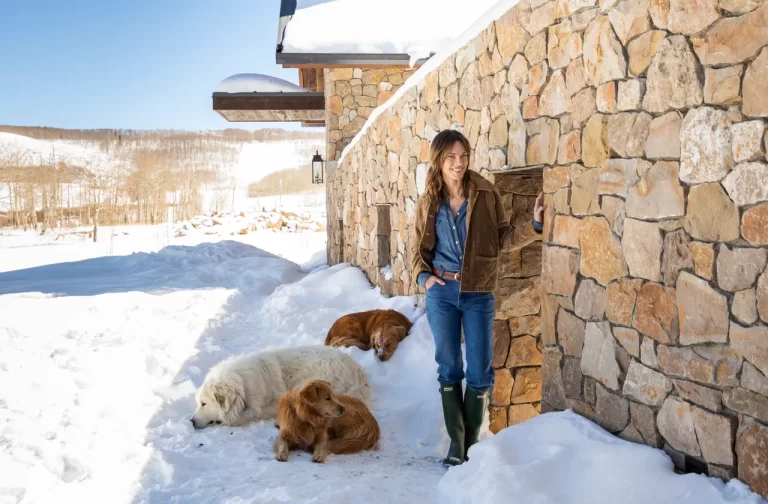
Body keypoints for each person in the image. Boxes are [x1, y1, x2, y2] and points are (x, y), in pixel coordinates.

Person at [411, 129, 545, 467]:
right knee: (449, 365)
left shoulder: (485, 192)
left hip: (478, 292)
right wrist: (425, 278)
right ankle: (456, 445)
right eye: (451, 157)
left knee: (481, 371)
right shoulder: (429, 201)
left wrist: (534, 224)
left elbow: (503, 238)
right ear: (439, 160)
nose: (459, 163)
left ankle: (470, 445)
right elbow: (417, 250)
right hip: (442, 292)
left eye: (464, 156)